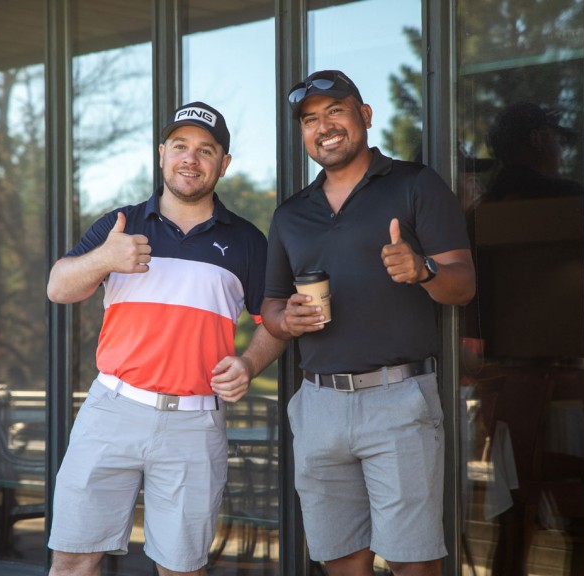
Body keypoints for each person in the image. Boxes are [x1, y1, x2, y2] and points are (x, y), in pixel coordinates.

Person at [46, 101, 286, 576]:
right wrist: (104, 259)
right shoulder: (119, 224)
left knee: (182, 568)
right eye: (180, 146)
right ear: (161, 154)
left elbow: (274, 324)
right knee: (73, 559)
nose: (190, 159)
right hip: (111, 410)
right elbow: (58, 287)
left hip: (193, 427)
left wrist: (248, 364)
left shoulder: (247, 241)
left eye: (205, 150)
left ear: (224, 163)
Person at [261, 70, 476, 576]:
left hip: (397, 399)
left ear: (365, 116)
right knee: (341, 562)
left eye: (336, 110)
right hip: (318, 405)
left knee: (413, 563)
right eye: (311, 119)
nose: (324, 125)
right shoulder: (291, 214)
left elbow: (463, 284)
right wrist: (286, 318)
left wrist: (422, 270)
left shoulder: (414, 183)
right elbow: (270, 307)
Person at [485, 101, 583, 201]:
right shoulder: (567, 194)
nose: (563, 152)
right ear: (537, 139)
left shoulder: (487, 202)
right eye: (561, 142)